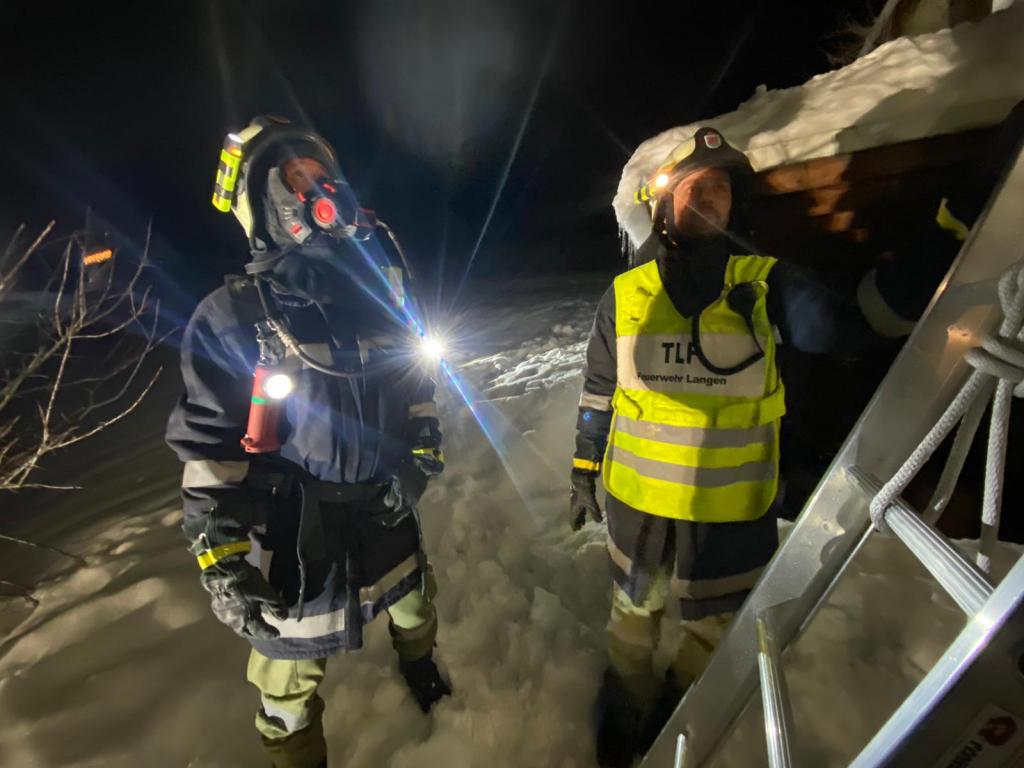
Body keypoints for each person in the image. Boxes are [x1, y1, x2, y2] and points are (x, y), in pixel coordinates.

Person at [569, 126, 914, 768]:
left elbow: (851, 325)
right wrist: (584, 471)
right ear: (663, 203)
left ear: (737, 207)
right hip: (639, 512)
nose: (708, 197)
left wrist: (933, 253)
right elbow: (597, 391)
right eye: (693, 186)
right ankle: (626, 701)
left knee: (709, 632)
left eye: (722, 190)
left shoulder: (767, 285)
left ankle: (677, 708)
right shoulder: (626, 294)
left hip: (729, 519)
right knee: (632, 616)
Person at [166, 115, 450, 768]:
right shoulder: (233, 316)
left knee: (413, 600)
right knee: (286, 676)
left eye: (323, 175)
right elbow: (208, 450)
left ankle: (420, 664)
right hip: (298, 528)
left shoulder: (375, 297)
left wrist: (420, 454)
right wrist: (223, 564)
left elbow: (414, 382)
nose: (318, 189)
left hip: (383, 504)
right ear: (261, 200)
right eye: (296, 176)